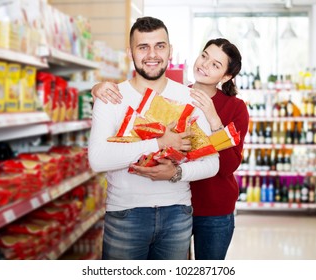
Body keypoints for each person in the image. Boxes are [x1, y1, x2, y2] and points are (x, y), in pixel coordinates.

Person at [92, 38, 249, 260]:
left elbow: (227, 166)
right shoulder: (177, 95)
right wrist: (97, 88)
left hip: (213, 208)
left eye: (215, 64)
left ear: (226, 77)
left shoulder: (235, 107)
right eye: (204, 56)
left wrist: (213, 118)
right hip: (177, 205)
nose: (204, 65)